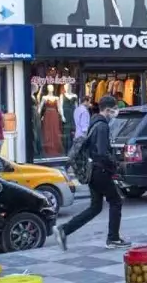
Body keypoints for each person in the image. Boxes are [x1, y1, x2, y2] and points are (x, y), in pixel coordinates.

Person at [53, 95, 129, 249]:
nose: (115, 113)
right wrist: (115, 164)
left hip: (92, 171)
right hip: (100, 170)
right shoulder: (102, 126)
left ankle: (64, 230)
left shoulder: (94, 122)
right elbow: (101, 151)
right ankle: (113, 238)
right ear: (107, 110)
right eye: (114, 110)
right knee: (116, 201)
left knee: (95, 207)